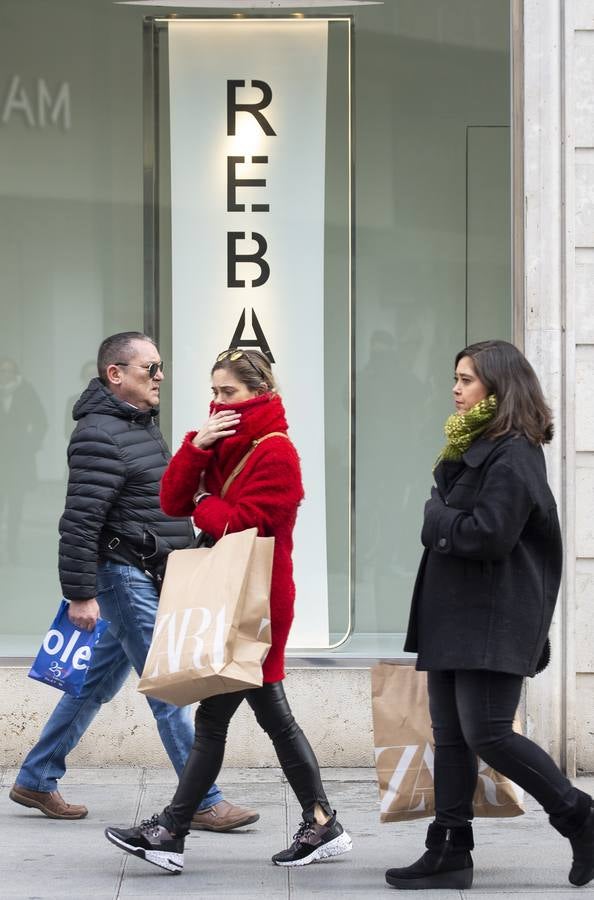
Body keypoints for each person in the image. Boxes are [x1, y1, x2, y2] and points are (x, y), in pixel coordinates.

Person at [104, 347, 353, 873]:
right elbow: (171, 499)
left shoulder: (277, 452)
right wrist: (195, 447)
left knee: (220, 718)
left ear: (258, 393)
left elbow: (250, 522)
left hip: (258, 600)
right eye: (213, 392)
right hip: (227, 596)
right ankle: (321, 822)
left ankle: (170, 831)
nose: (217, 403)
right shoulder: (219, 443)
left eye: (228, 393)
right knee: (268, 717)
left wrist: (202, 503)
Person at [10, 332, 257, 833]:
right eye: (150, 368)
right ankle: (204, 800)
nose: (160, 375)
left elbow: (156, 497)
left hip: (147, 572)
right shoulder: (98, 434)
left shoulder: (140, 426)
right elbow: (79, 520)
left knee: (93, 685)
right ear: (115, 374)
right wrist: (80, 593)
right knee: (170, 687)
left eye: (161, 366)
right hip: (122, 576)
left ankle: (36, 777)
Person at [385, 340, 594, 891]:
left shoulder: (515, 452)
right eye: (455, 378)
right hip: (457, 614)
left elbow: (490, 534)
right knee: (451, 737)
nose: (455, 389)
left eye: (467, 379)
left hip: (492, 616)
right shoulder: (473, 445)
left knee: (490, 734)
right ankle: (449, 851)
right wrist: (446, 512)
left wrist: (435, 516)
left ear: (498, 388)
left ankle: (581, 817)